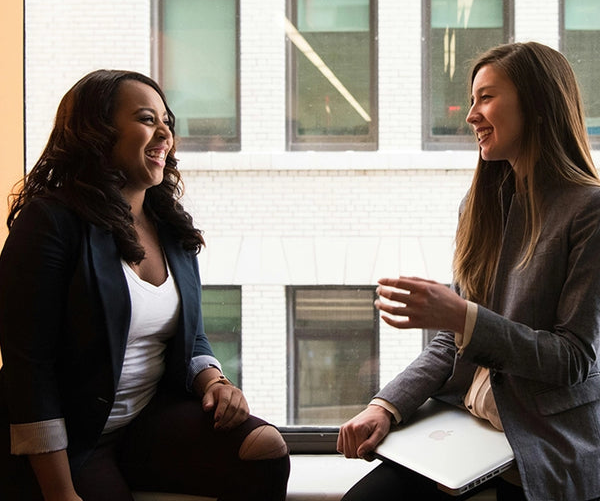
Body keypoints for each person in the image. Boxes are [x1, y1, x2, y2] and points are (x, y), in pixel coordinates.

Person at [0, 70, 290, 501]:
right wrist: (60, 493)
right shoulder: (50, 222)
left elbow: (189, 337)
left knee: (264, 451)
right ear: (96, 132)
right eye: (146, 119)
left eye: (166, 121)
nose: (164, 133)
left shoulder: (169, 226)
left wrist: (213, 382)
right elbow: (29, 369)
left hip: (144, 421)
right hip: (70, 440)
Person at [337, 42, 600, 501]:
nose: (471, 115)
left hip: (541, 444)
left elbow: (573, 359)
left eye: (486, 97)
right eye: (473, 99)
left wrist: (462, 317)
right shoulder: (479, 208)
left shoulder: (589, 210)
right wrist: (386, 405)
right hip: (466, 429)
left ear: (538, 105)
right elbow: (451, 343)